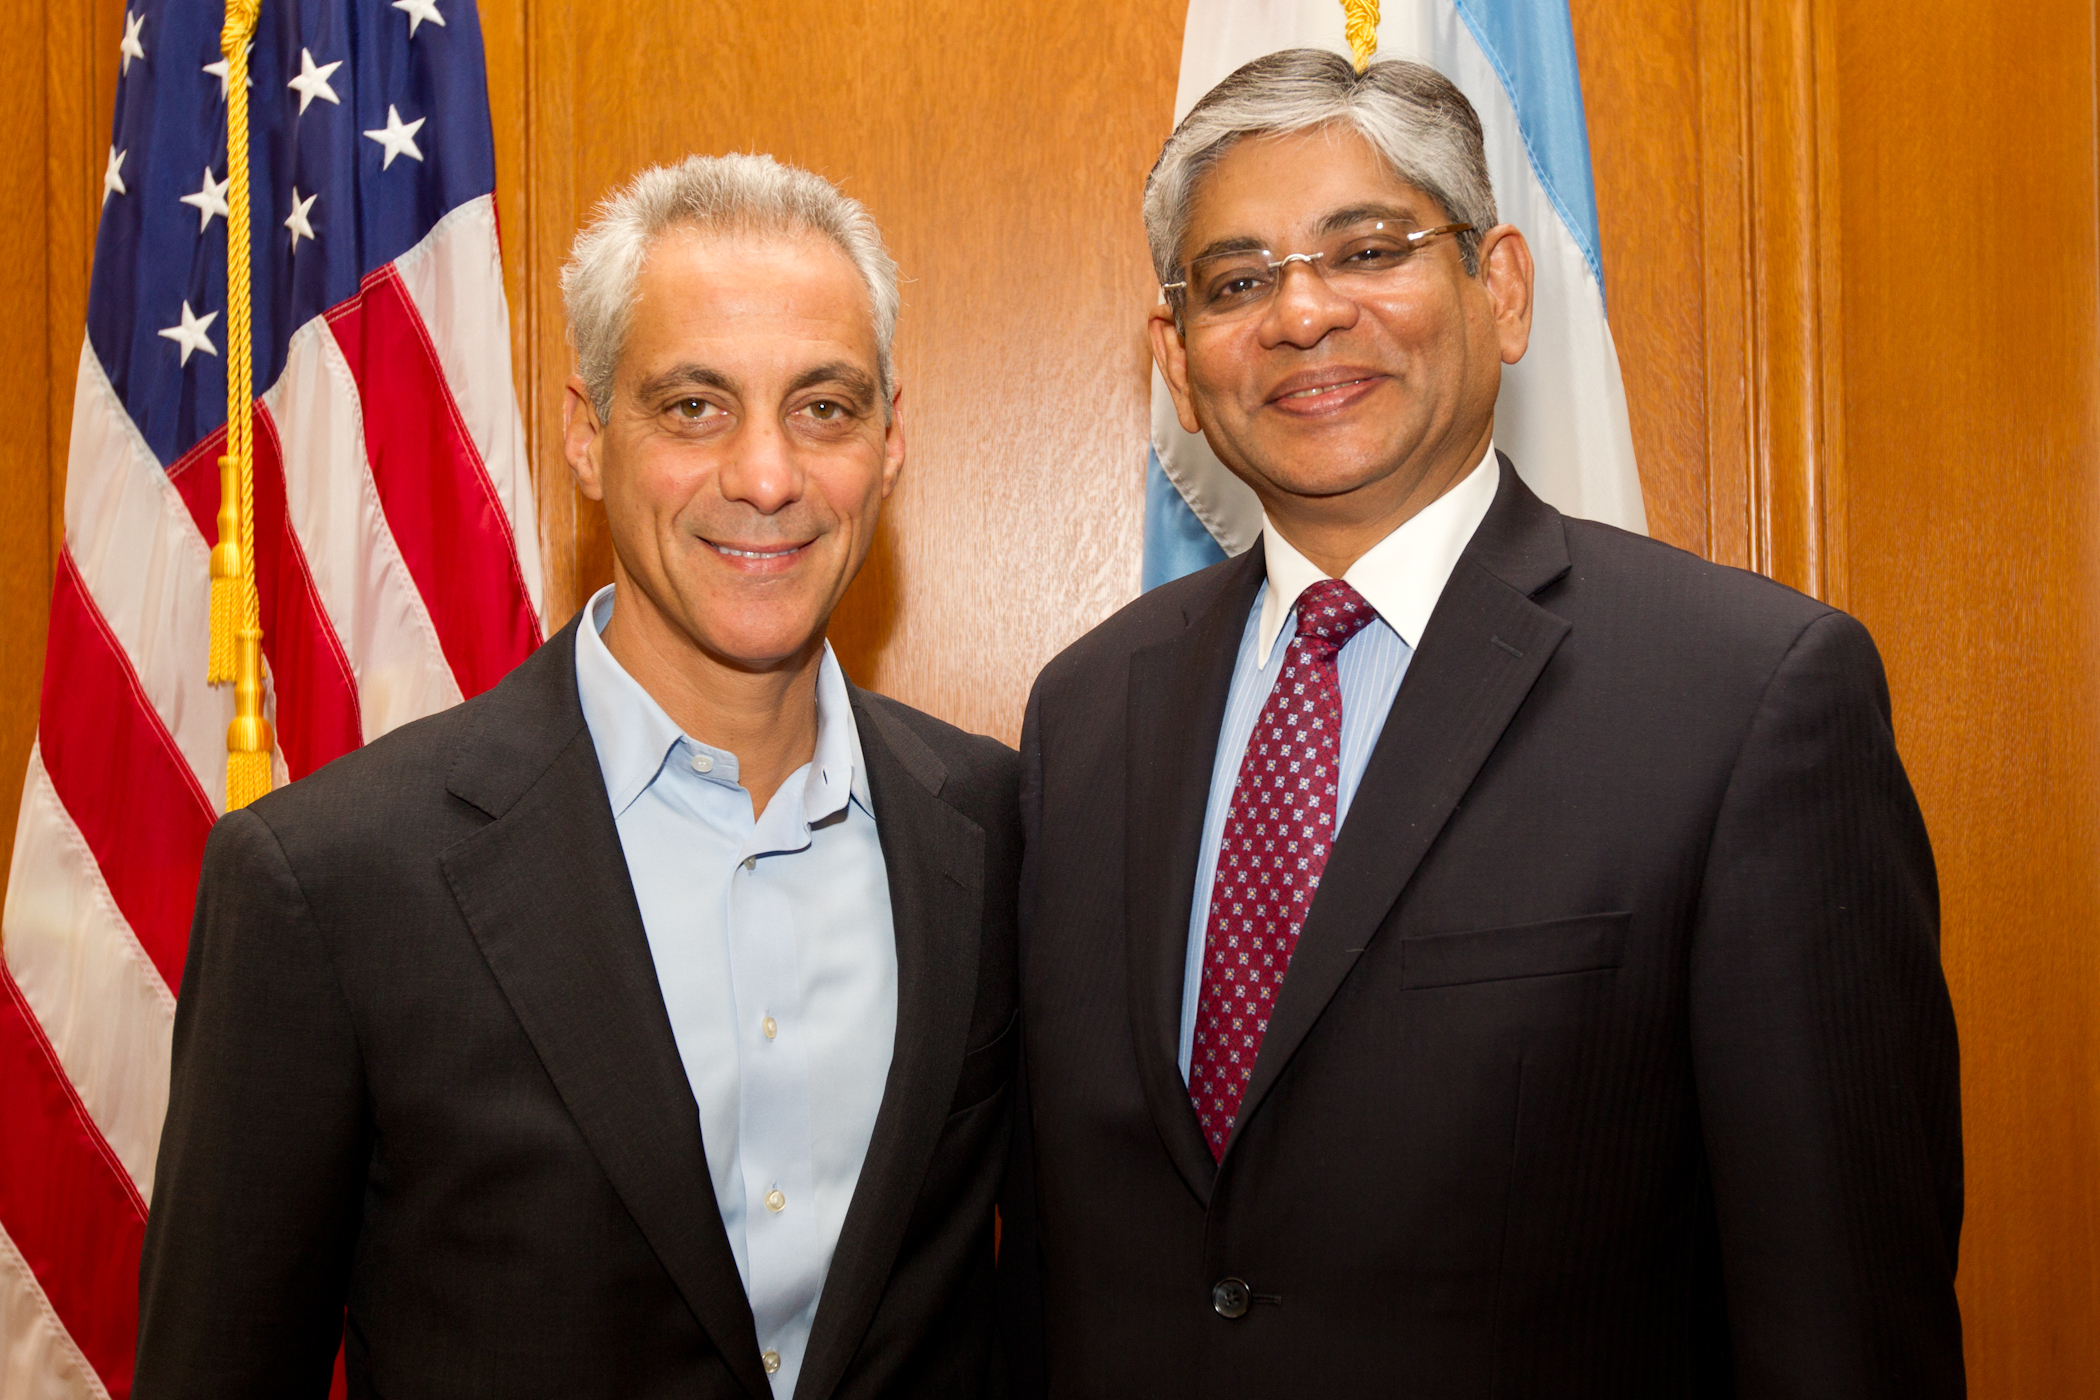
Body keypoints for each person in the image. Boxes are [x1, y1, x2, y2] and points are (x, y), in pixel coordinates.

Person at [1010, 50, 1963, 1395]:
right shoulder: (1086, 711)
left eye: (1369, 249)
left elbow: (1843, 1320)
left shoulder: (1748, 697)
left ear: (1503, 288)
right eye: (1236, 281)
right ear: (1176, 356)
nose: (1301, 314)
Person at [137, 154, 1022, 1400]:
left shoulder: (989, 822)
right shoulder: (329, 882)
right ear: (587, 435)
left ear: (889, 444)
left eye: (823, 406)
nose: (766, 476)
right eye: (694, 407)